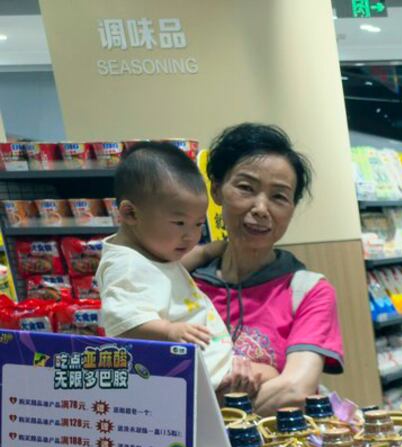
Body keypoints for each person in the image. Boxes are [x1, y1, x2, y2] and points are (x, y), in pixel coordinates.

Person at [192, 123, 345, 416]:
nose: (261, 208)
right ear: (217, 190)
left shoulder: (309, 291)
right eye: (246, 188)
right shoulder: (186, 285)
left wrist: (201, 409)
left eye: (279, 196)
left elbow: (294, 390)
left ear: (291, 208)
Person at [95, 142, 248, 397]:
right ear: (130, 213)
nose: (191, 236)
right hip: (196, 379)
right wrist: (169, 330)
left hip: (210, 365)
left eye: (198, 223)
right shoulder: (125, 266)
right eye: (179, 223)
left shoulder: (151, 250)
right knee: (269, 381)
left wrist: (209, 251)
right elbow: (124, 322)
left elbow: (164, 276)